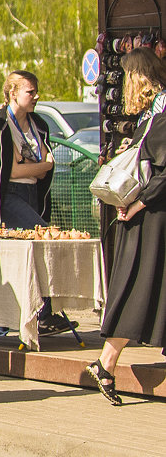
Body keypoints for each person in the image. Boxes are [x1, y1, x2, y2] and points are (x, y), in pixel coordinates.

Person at [87, 49, 166, 405]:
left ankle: (106, 363)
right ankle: (105, 363)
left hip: (145, 213)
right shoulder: (157, 114)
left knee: (138, 285)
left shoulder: (157, 116)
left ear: (139, 76)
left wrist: (133, 203)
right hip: (149, 214)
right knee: (142, 286)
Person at [0, 70, 74, 336]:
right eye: (30, 91)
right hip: (8, 196)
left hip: (33, 196)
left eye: (36, 91)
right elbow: (12, 172)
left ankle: (0, 326)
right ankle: (44, 314)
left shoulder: (38, 123)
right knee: (43, 241)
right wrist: (39, 166)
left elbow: (41, 168)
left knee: (18, 259)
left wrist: (34, 166)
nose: (35, 96)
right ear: (13, 93)